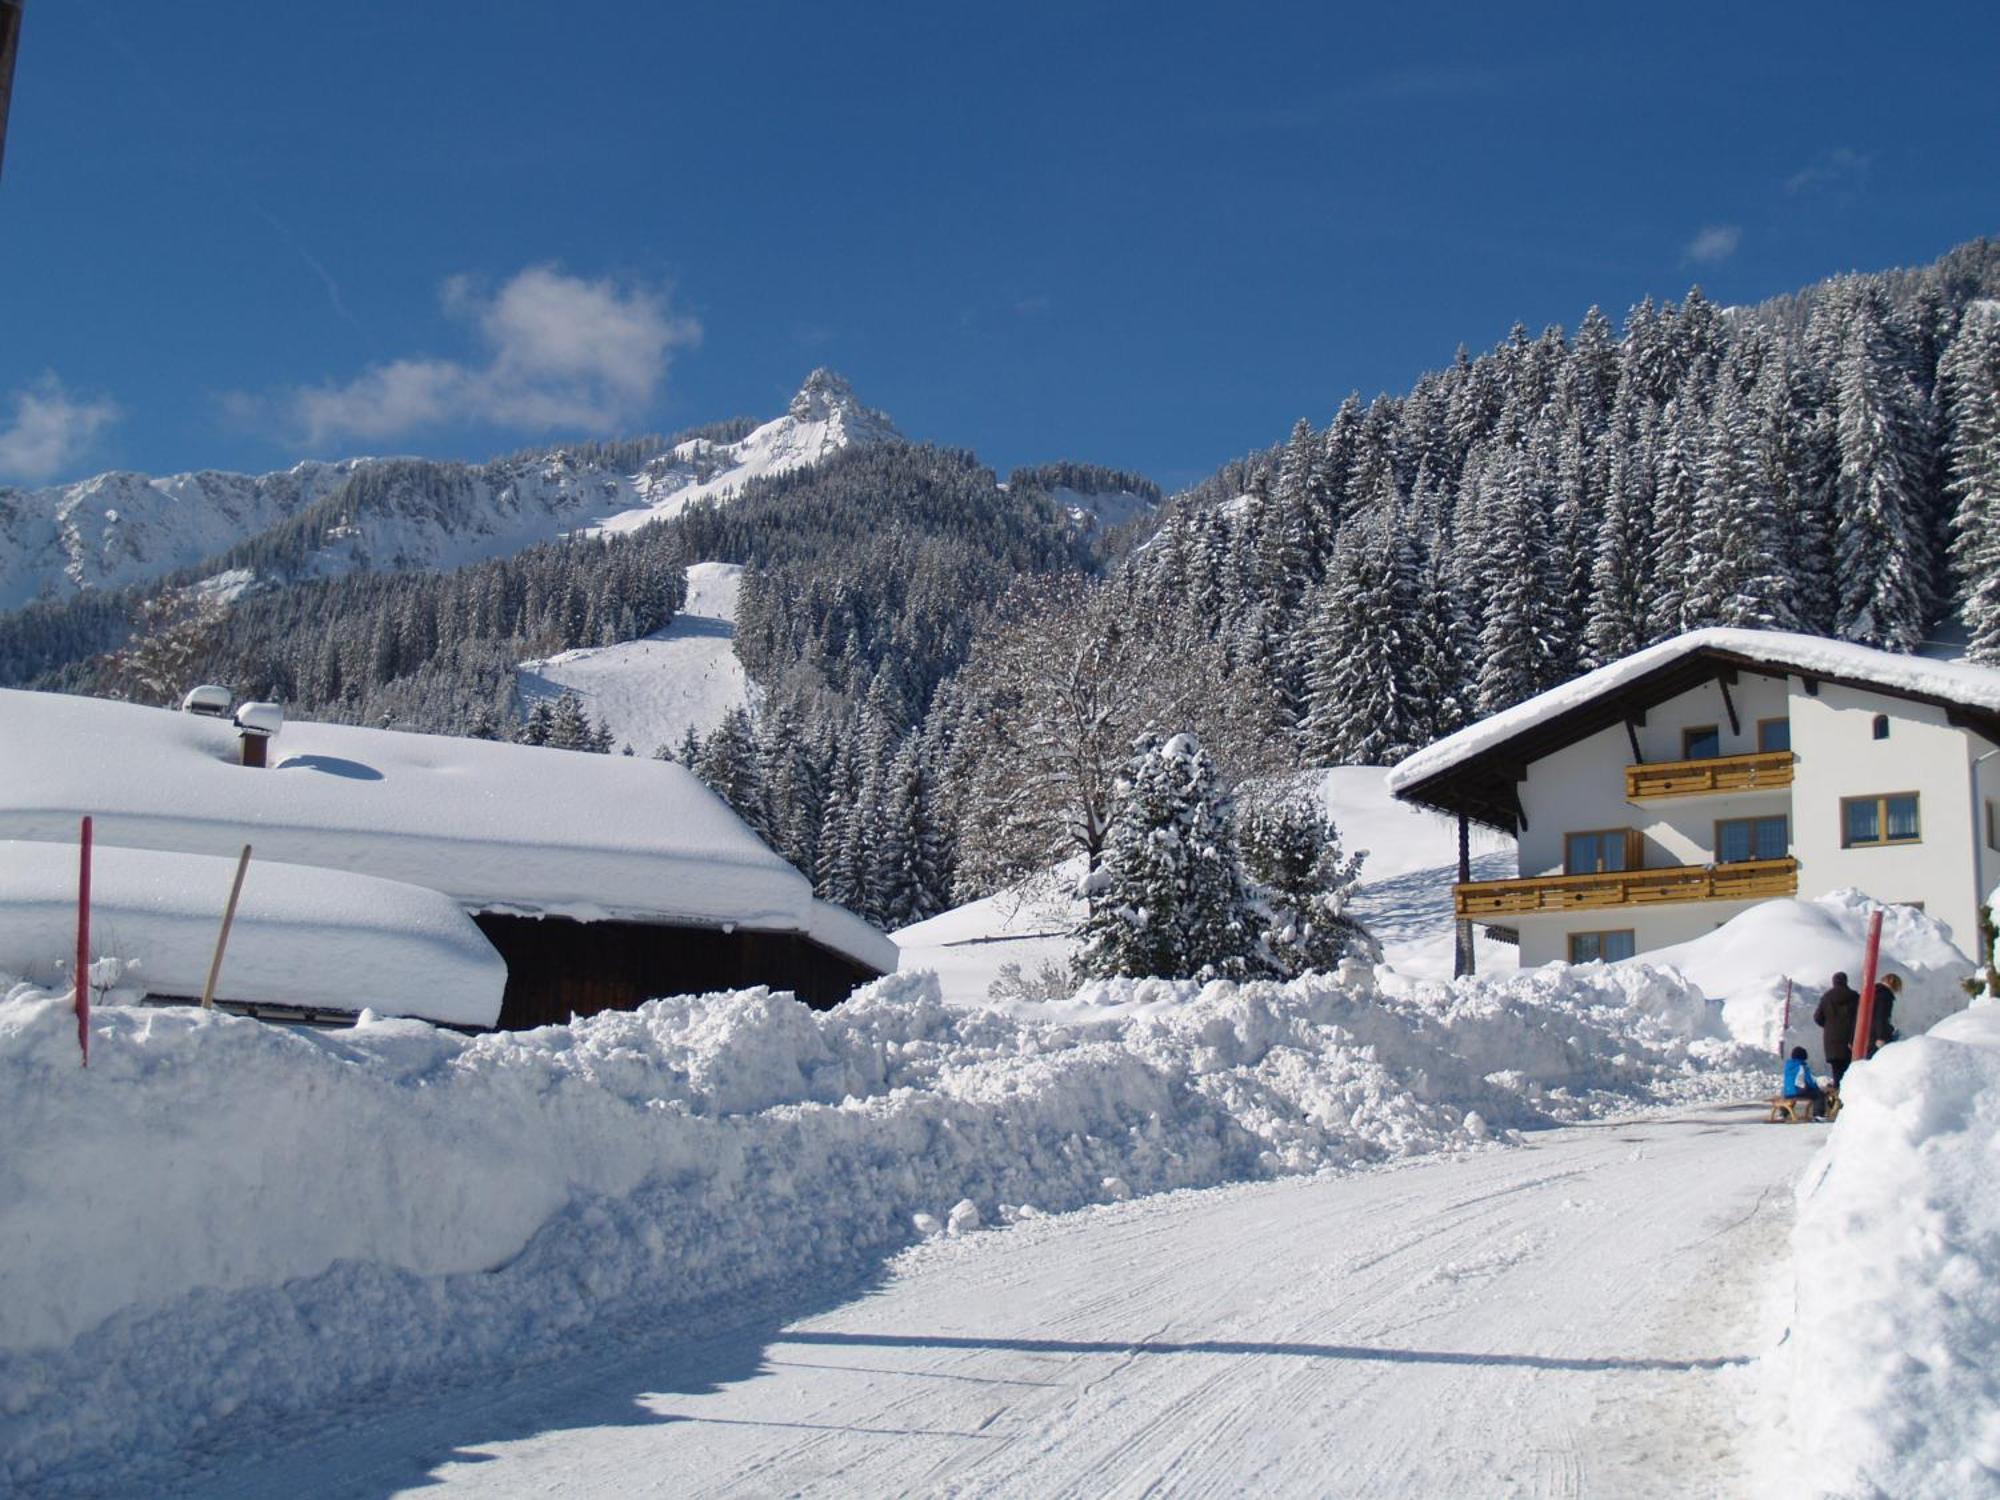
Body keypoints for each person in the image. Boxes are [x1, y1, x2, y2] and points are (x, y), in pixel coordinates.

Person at [1813, 970, 1861, 1083]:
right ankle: (1849, 1096)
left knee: (1837, 1070)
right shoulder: (1855, 997)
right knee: (1851, 1070)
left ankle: (1838, 1094)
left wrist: (1828, 1026)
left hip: (1832, 1041)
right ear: (1846, 981)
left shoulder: (1826, 998)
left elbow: (1817, 1017)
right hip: (1850, 1039)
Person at [1782, 1045, 1827, 1118]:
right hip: (1798, 1092)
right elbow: (1809, 1081)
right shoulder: (1802, 1067)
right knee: (1819, 1095)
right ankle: (1818, 1115)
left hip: (1787, 1092)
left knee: (1791, 1098)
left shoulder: (1788, 1067)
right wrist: (1816, 1088)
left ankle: (1783, 1114)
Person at [1872, 972, 1903, 1049]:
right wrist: (1881, 1037)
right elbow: (1881, 1017)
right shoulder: (1885, 996)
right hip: (1874, 1037)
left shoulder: (1874, 991)